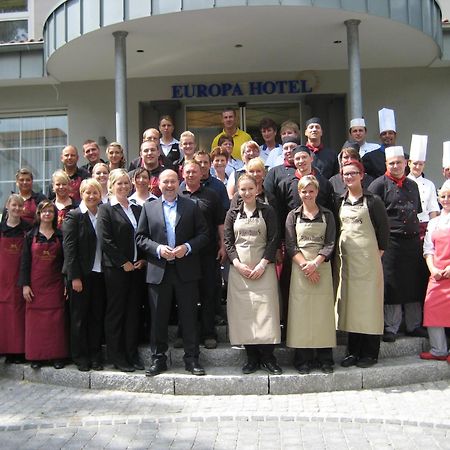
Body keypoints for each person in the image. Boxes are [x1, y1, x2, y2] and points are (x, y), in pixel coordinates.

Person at [136, 169, 209, 376]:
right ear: (158, 184)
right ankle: (158, 359)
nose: (169, 185)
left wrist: (187, 247)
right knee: (158, 318)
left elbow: (204, 234)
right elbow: (140, 238)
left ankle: (192, 359)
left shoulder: (191, 206)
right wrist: (158, 250)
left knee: (188, 316)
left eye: (173, 181)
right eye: (165, 182)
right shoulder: (148, 208)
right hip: (159, 271)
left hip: (186, 270)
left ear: (179, 183)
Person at [224, 174, 282, 375]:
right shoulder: (232, 214)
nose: (247, 193)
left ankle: (268, 358)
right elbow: (228, 242)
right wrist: (238, 264)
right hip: (240, 272)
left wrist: (263, 264)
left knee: (266, 314)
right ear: (238, 192)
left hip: (263, 270)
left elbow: (274, 239)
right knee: (245, 315)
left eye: (250, 188)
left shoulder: (268, 211)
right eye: (243, 189)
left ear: (257, 189)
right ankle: (251, 358)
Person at [335, 161, 389, 368]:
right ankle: (353, 351)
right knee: (351, 307)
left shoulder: (373, 201)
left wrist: (375, 255)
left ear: (362, 175)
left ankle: (370, 353)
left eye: (353, 173)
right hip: (348, 262)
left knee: (369, 306)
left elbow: (384, 232)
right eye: (345, 174)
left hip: (368, 263)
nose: (349, 177)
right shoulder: (340, 201)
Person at [368, 146, 425, 342]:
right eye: (391, 163)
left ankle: (414, 325)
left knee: (414, 283)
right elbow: (373, 218)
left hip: (412, 242)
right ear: (386, 164)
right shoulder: (377, 185)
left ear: (405, 164)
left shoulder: (413, 185)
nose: (395, 166)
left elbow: (416, 211)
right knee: (391, 285)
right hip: (390, 242)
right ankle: (391, 327)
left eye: (398, 162)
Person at [285, 175, 336, 374]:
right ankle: (302, 360)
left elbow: (330, 242)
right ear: (299, 193)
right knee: (301, 315)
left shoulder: (327, 215)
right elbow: (290, 244)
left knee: (323, 314)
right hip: (300, 269)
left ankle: (325, 359)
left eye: (311, 191)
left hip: (321, 268)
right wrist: (305, 265)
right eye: (304, 191)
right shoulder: (293, 216)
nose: (308, 194)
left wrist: (315, 263)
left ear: (317, 192)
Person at [97, 169, 146, 372]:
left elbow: (143, 236)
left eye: (127, 183)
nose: (124, 187)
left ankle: (131, 353)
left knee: (133, 312)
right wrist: (122, 262)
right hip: (117, 270)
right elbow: (105, 240)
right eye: (119, 183)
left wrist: (142, 259)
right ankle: (117, 357)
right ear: (111, 185)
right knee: (116, 313)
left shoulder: (136, 208)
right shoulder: (106, 210)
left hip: (136, 268)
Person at [179, 160, 226, 349]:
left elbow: (220, 223)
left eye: (194, 172)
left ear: (201, 174)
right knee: (185, 296)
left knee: (208, 293)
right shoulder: (177, 194)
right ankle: (184, 333)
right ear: (183, 174)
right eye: (188, 172)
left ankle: (208, 333)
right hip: (184, 254)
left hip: (208, 254)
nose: (191, 175)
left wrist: (223, 245)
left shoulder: (211, 195)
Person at [62, 179, 106, 371]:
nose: (91, 196)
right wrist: (74, 277)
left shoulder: (104, 213)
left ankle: (95, 355)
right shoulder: (74, 216)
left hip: (100, 273)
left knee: (97, 316)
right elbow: (69, 249)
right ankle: (80, 356)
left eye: (95, 192)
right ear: (81, 193)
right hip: (81, 276)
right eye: (87, 192)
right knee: (79, 318)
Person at [19, 201, 68, 369]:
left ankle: (57, 356)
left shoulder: (60, 235)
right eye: (44, 211)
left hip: (55, 285)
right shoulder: (29, 235)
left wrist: (66, 283)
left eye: (50, 211)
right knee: (36, 323)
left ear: (54, 215)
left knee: (56, 321)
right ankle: (36, 356)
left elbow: (66, 262)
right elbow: (25, 262)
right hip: (35, 286)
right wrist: (25, 284)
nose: (47, 214)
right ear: (38, 215)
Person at [420, 180, 450, 362]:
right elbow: (428, 249)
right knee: (432, 309)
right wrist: (433, 269)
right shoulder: (434, 222)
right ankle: (438, 350)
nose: (446, 199)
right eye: (443, 196)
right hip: (437, 273)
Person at [0, 194, 31, 364]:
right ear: (7, 206)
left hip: (20, 276)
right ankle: (5, 349)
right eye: (14, 205)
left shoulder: (27, 229)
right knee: (4, 314)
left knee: (19, 314)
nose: (17, 209)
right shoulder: (0, 227)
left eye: (20, 206)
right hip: (3, 278)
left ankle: (19, 350)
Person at [362, 108, 398, 180]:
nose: (387, 136)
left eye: (390, 133)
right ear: (380, 137)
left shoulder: (404, 157)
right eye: (384, 134)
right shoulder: (370, 158)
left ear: (395, 135)